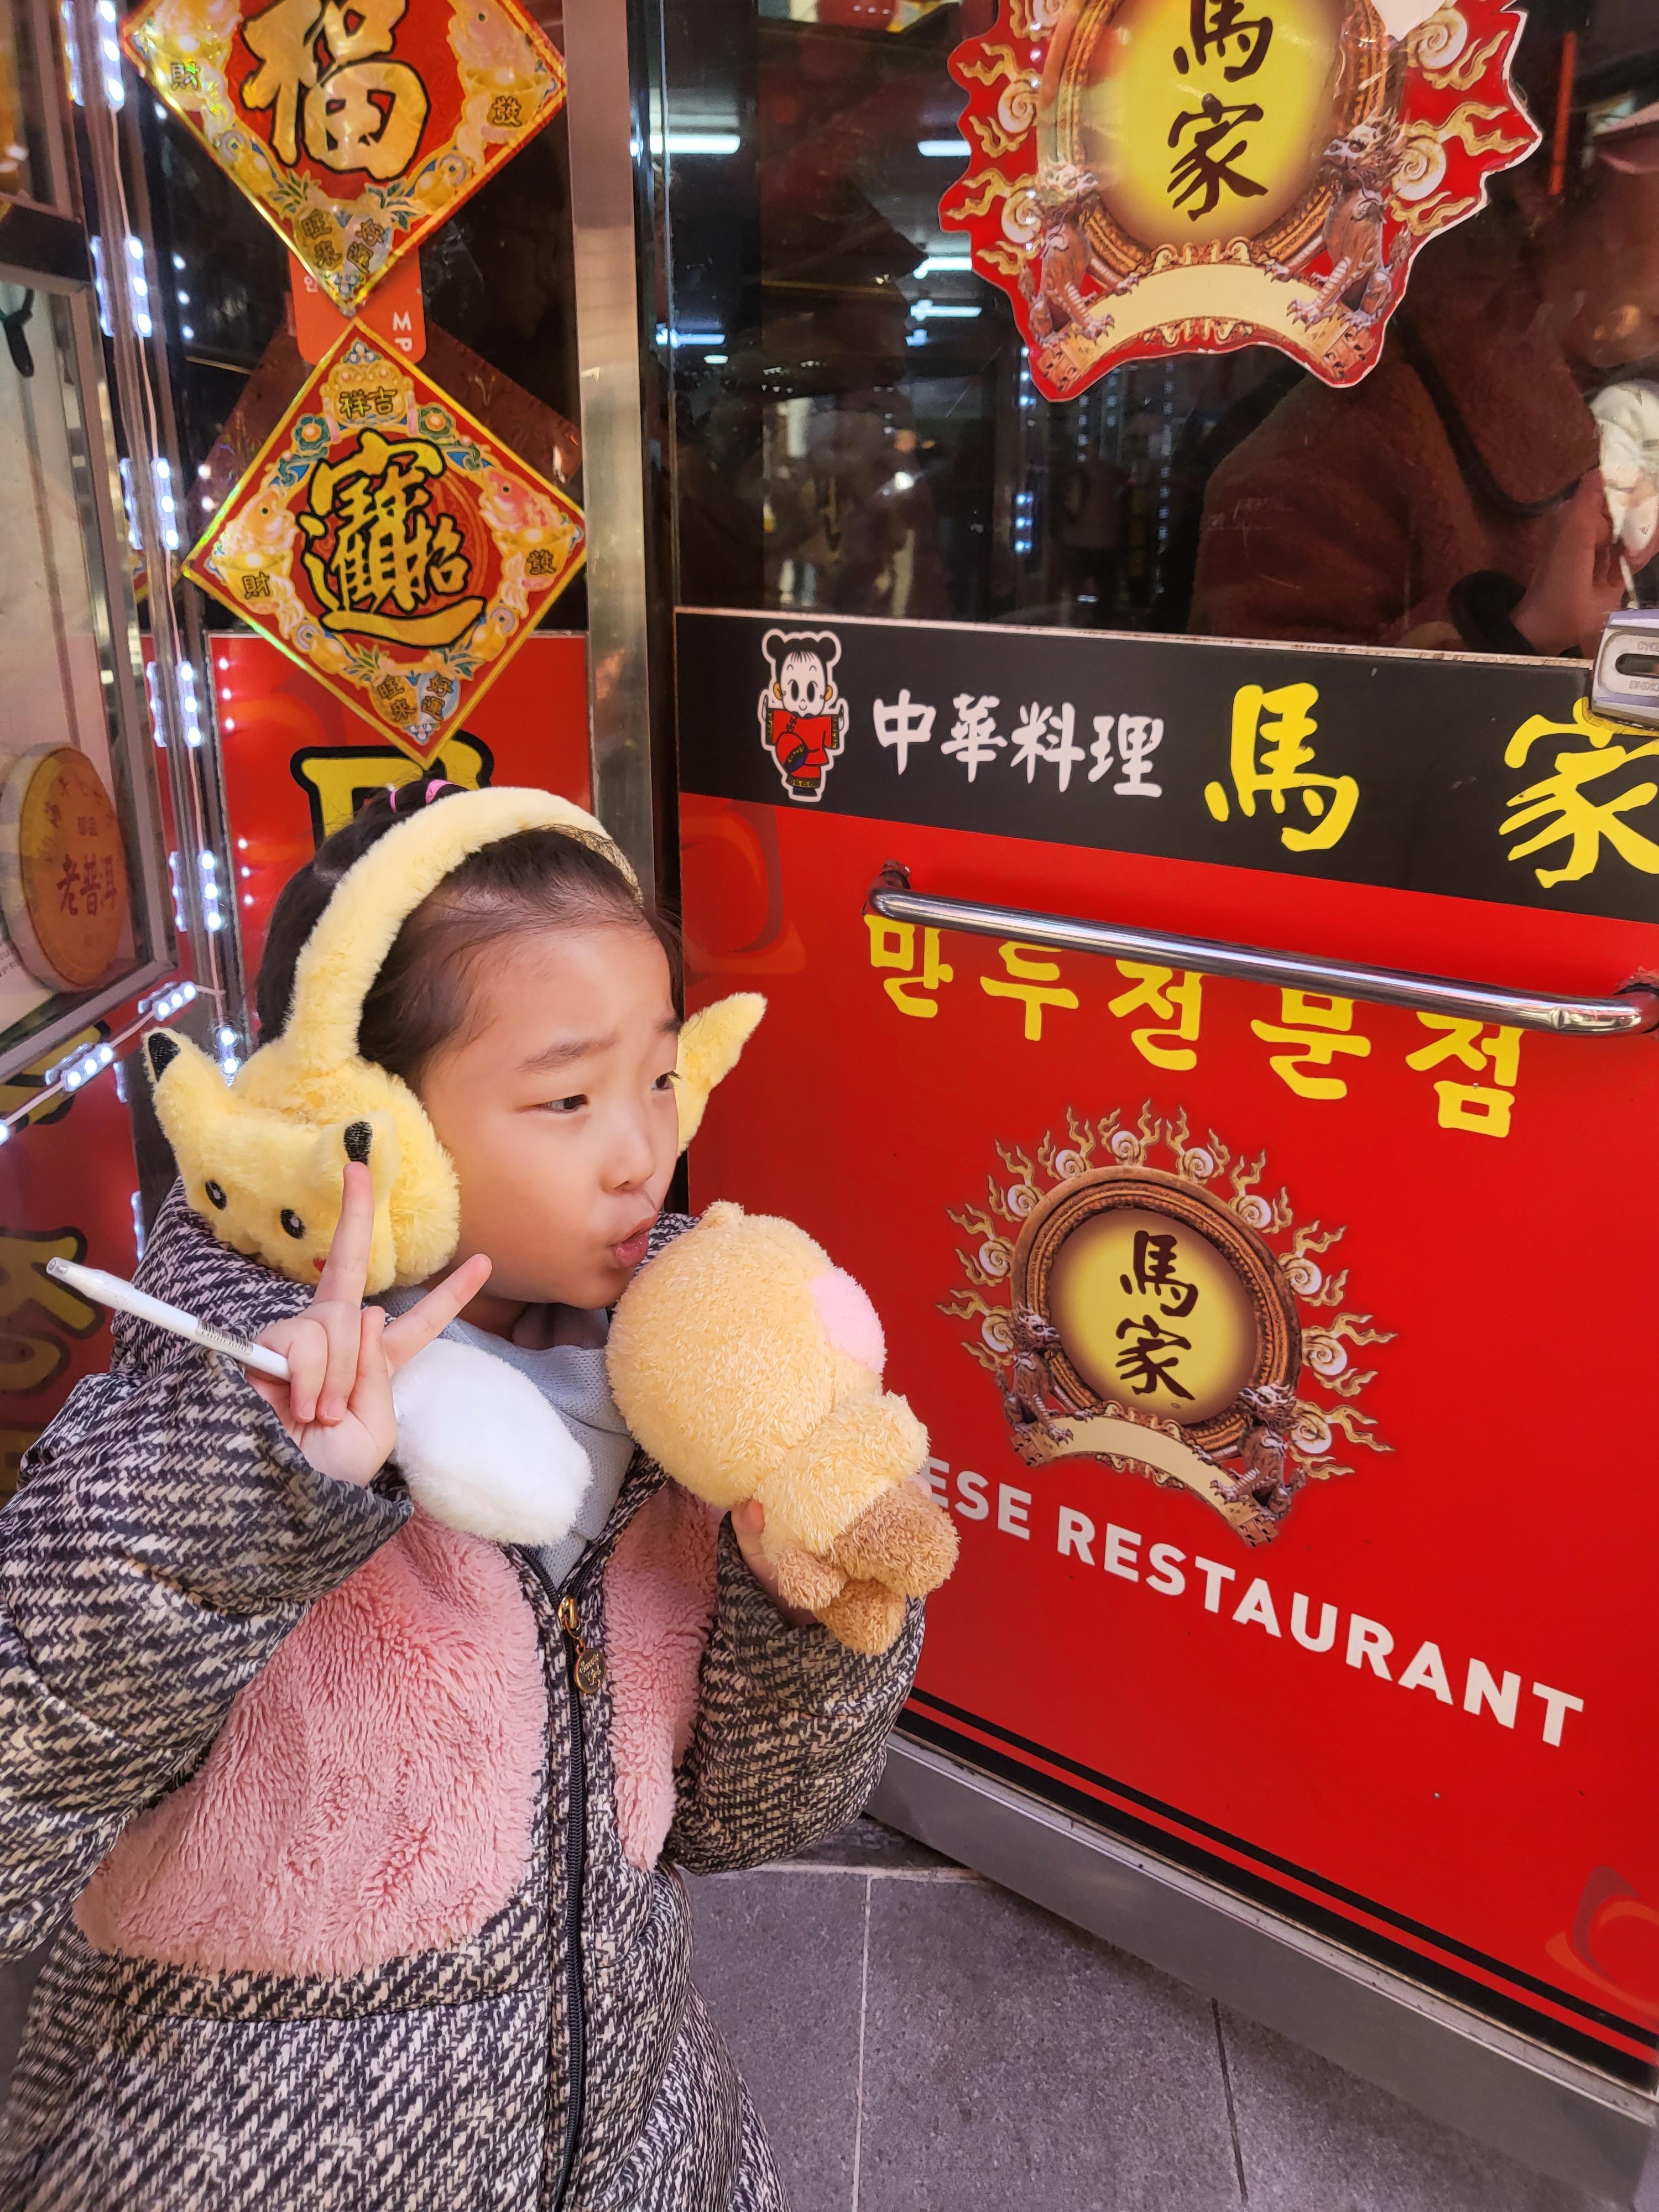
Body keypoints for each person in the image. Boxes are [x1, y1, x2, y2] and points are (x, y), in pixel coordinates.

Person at [0, 777, 925, 2210]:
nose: (642, 1150)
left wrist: (812, 1585)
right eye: (566, 1096)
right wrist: (249, 1508)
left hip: (634, 2144)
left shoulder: (689, 1383)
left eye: (662, 1075)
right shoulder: (200, 1424)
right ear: (359, 1124)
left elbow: (752, 1824)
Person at [1189, 66, 1659, 658]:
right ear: (1551, 189)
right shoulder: (1352, 437)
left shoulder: (1604, 397)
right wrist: (1524, 630)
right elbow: (1260, 711)